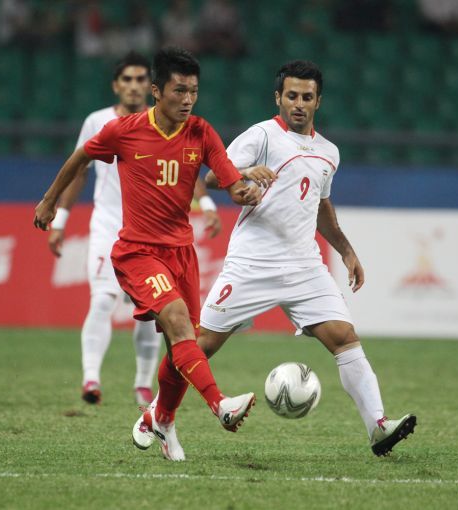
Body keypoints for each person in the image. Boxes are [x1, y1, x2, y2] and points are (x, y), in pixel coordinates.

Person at [135, 60, 417, 457]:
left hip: (305, 267)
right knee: (200, 344)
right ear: (278, 98)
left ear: (318, 101)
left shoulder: (329, 153)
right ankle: (156, 413)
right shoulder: (262, 135)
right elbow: (212, 176)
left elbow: (320, 205)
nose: (299, 104)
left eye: (307, 97)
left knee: (344, 338)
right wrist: (246, 174)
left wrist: (346, 251)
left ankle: (378, 426)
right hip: (252, 263)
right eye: (292, 96)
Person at [34, 47, 265, 461]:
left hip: (182, 253)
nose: (188, 99)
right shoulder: (124, 131)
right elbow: (81, 156)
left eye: (194, 91)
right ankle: (220, 405)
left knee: (183, 346)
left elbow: (230, 182)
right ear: (157, 91)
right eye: (179, 90)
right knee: (176, 321)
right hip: (137, 251)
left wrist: (245, 191)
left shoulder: (201, 132)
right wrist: (51, 202)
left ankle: (161, 419)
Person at [47, 51, 222, 407]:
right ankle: (91, 378)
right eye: (127, 79)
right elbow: (79, 169)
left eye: (140, 79)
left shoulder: (170, 122)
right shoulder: (100, 122)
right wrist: (59, 218)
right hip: (108, 224)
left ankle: (143, 384)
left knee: (156, 313)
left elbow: (184, 169)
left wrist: (206, 204)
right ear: (116, 85)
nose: (134, 86)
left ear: (151, 86)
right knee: (102, 299)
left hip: (156, 232)